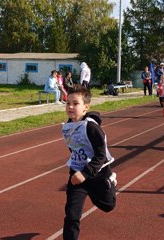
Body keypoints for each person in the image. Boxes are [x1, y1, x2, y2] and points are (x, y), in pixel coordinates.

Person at [62, 84, 117, 240]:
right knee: (72, 214)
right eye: (68, 102)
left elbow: (101, 155)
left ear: (86, 107)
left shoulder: (92, 127)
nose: (70, 106)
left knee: (108, 206)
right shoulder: (68, 126)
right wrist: (78, 171)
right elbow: (74, 148)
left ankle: (111, 181)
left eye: (75, 103)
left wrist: (86, 173)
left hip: (98, 173)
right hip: (77, 174)